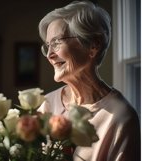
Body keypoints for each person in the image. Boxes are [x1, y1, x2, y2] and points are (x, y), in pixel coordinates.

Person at [37, 1, 140, 161]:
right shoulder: (48, 104)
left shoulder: (121, 117)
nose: (49, 54)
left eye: (57, 43)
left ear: (93, 45)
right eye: (48, 45)